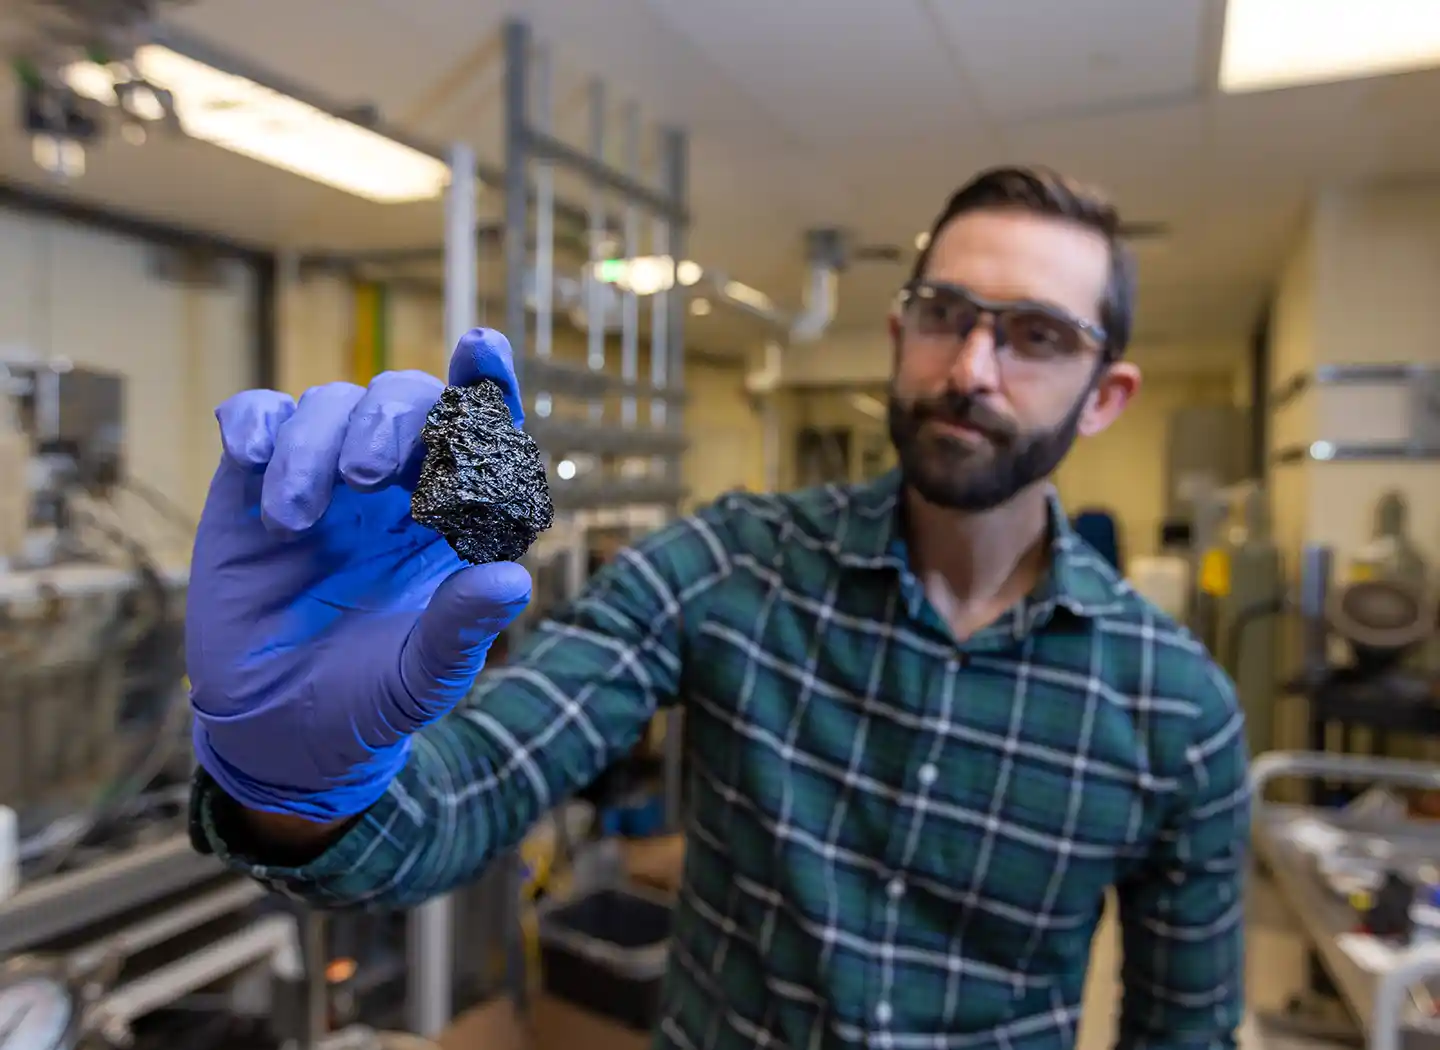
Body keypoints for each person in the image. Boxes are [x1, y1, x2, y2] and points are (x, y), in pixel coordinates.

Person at [187, 166, 1250, 1049]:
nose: (972, 366)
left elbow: (1183, 1032)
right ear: (898, 333)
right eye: (945, 316)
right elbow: (478, 789)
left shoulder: (1178, 709)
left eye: (1036, 336)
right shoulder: (729, 563)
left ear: (1106, 394)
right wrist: (301, 784)